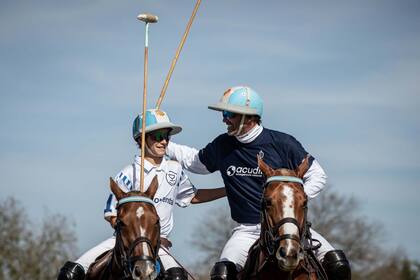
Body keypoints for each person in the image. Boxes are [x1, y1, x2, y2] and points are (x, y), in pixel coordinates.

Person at [166, 86, 351, 280]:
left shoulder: (282, 143)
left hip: (289, 226)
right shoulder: (223, 145)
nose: (224, 119)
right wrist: (163, 143)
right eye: (223, 113)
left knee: (338, 265)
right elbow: (194, 162)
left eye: (229, 114)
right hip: (247, 230)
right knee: (222, 274)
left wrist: (293, 200)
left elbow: (318, 175)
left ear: (249, 117)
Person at [57, 109, 226, 280]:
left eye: (167, 136)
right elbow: (110, 212)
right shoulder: (130, 172)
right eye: (157, 136)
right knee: (70, 273)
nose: (164, 141)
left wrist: (227, 190)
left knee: (177, 277)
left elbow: (192, 196)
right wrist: (130, 231)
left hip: (159, 243)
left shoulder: (175, 168)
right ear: (141, 139)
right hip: (126, 242)